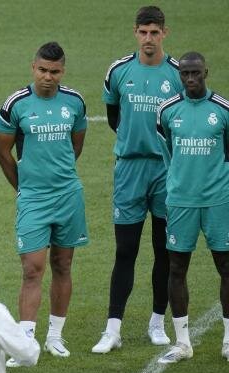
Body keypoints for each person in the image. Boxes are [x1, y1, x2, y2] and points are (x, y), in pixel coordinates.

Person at [93, 5, 182, 354]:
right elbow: (114, 117)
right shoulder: (119, 71)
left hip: (165, 171)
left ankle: (157, 323)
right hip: (129, 170)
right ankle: (113, 328)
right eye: (143, 32)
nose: (149, 38)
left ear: (164, 33)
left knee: (165, 249)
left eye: (154, 32)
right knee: (125, 249)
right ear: (135, 33)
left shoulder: (177, 74)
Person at [0, 42, 88, 361]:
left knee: (63, 264)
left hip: (68, 196)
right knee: (32, 269)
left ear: (63, 71)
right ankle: (25, 343)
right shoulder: (16, 103)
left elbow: (76, 146)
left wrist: (58, 175)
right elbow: (2, 153)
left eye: (55, 71)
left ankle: (55, 337)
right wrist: (23, 187)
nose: (48, 77)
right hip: (34, 199)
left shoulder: (74, 101)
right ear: (33, 67)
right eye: (43, 70)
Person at [156, 52, 229, 363]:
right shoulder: (168, 110)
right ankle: (182, 342)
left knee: (226, 268)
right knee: (176, 268)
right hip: (181, 202)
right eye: (185, 74)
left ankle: (228, 340)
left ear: (205, 72)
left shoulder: (223, 110)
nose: (190, 79)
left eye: (195, 73)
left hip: (218, 201)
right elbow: (167, 153)